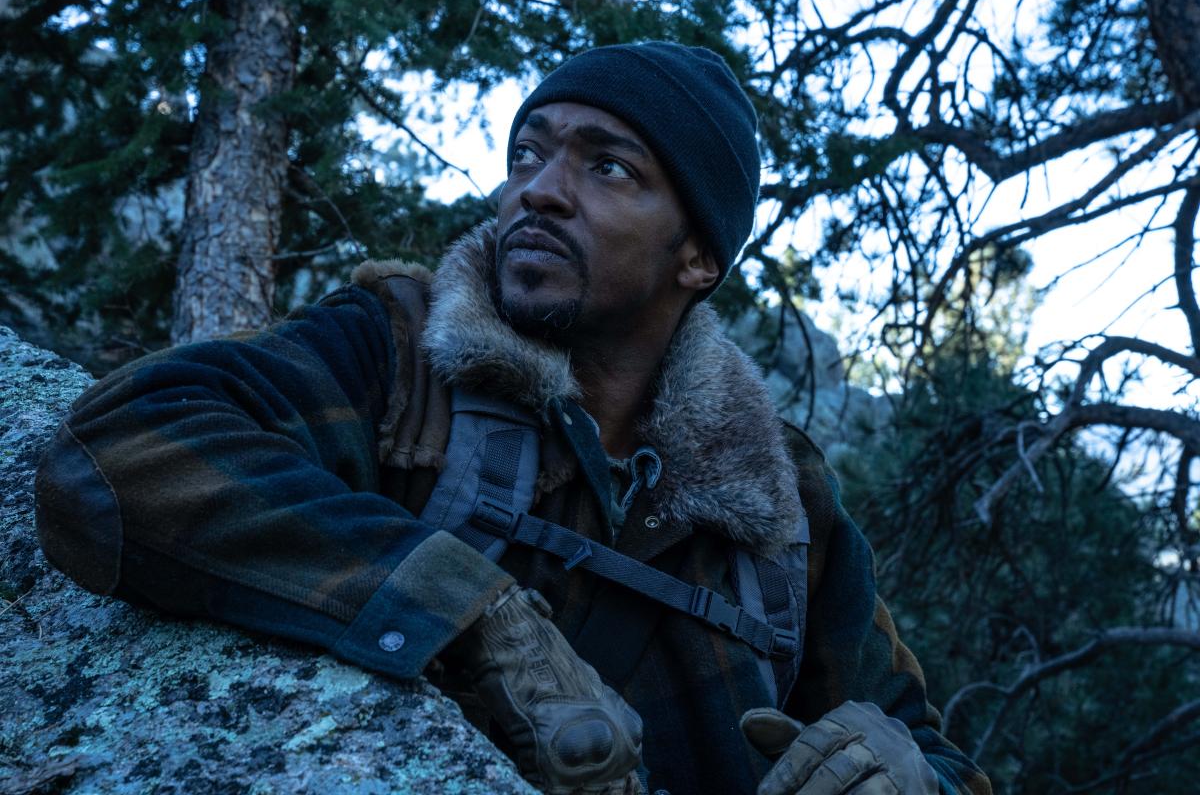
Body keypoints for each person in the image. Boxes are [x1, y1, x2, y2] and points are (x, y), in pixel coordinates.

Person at [35, 42, 991, 795]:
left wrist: (905, 771)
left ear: (698, 257)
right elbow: (119, 450)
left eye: (607, 166)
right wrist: (473, 615)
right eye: (528, 153)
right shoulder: (401, 353)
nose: (536, 189)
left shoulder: (786, 503)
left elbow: (938, 755)